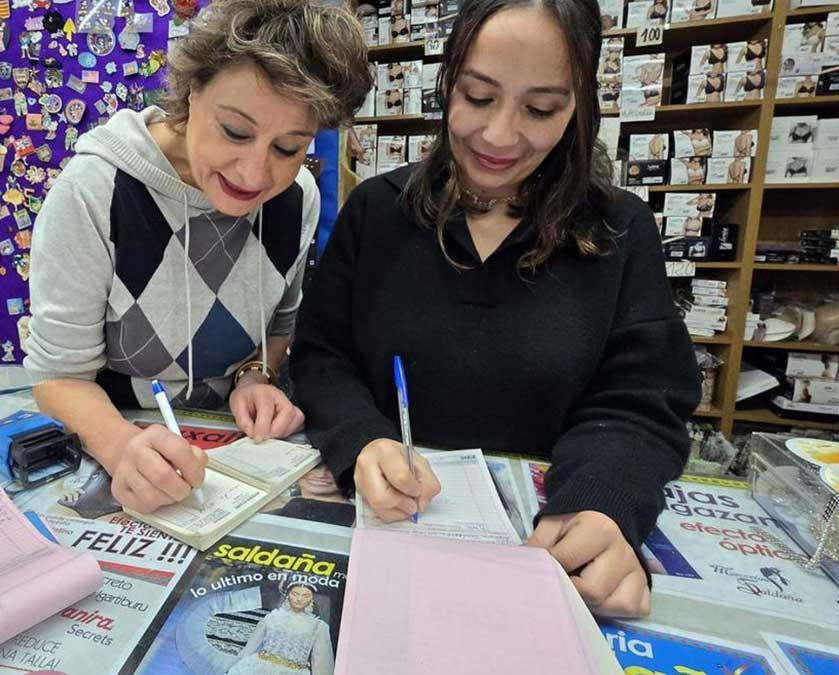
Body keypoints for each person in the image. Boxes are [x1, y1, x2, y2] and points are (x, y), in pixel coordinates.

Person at [291, 0, 700, 618]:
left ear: (579, 106)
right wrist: (361, 439)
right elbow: (321, 356)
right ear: (447, 82)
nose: (499, 136)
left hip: (537, 553)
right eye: (478, 97)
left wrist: (603, 498)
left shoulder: (619, 228)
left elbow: (640, 402)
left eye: (540, 109)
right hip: (381, 540)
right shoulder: (377, 210)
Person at [24, 0, 371, 515]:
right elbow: (59, 377)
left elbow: (279, 325)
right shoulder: (95, 190)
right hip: (116, 440)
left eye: (288, 148)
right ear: (190, 93)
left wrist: (255, 377)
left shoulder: (297, 197)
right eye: (234, 131)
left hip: (240, 455)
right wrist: (122, 449)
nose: (254, 174)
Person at [227, 580, 334, 675]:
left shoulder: (318, 626)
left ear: (311, 599)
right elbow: (250, 647)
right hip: (260, 667)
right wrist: (233, 665)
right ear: (288, 596)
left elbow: (320, 662)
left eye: (306, 596)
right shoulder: (272, 617)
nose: (299, 599)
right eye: (295, 594)